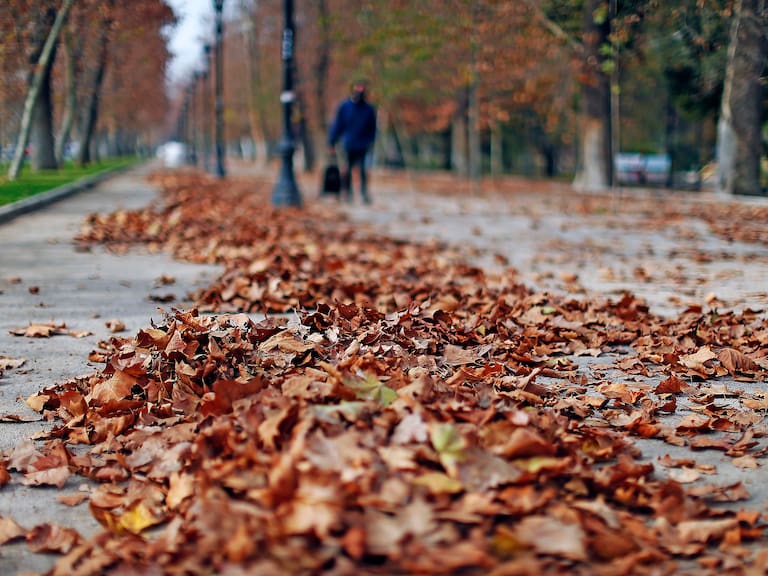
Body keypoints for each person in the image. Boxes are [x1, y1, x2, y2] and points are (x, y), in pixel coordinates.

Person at [328, 81, 377, 204]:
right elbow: (338, 125)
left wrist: (370, 141)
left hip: (363, 144)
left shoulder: (369, 109)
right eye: (357, 90)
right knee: (346, 169)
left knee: (363, 170)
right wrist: (332, 142)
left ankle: (364, 193)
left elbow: (373, 128)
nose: (359, 93)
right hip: (347, 143)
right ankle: (347, 193)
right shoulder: (345, 107)